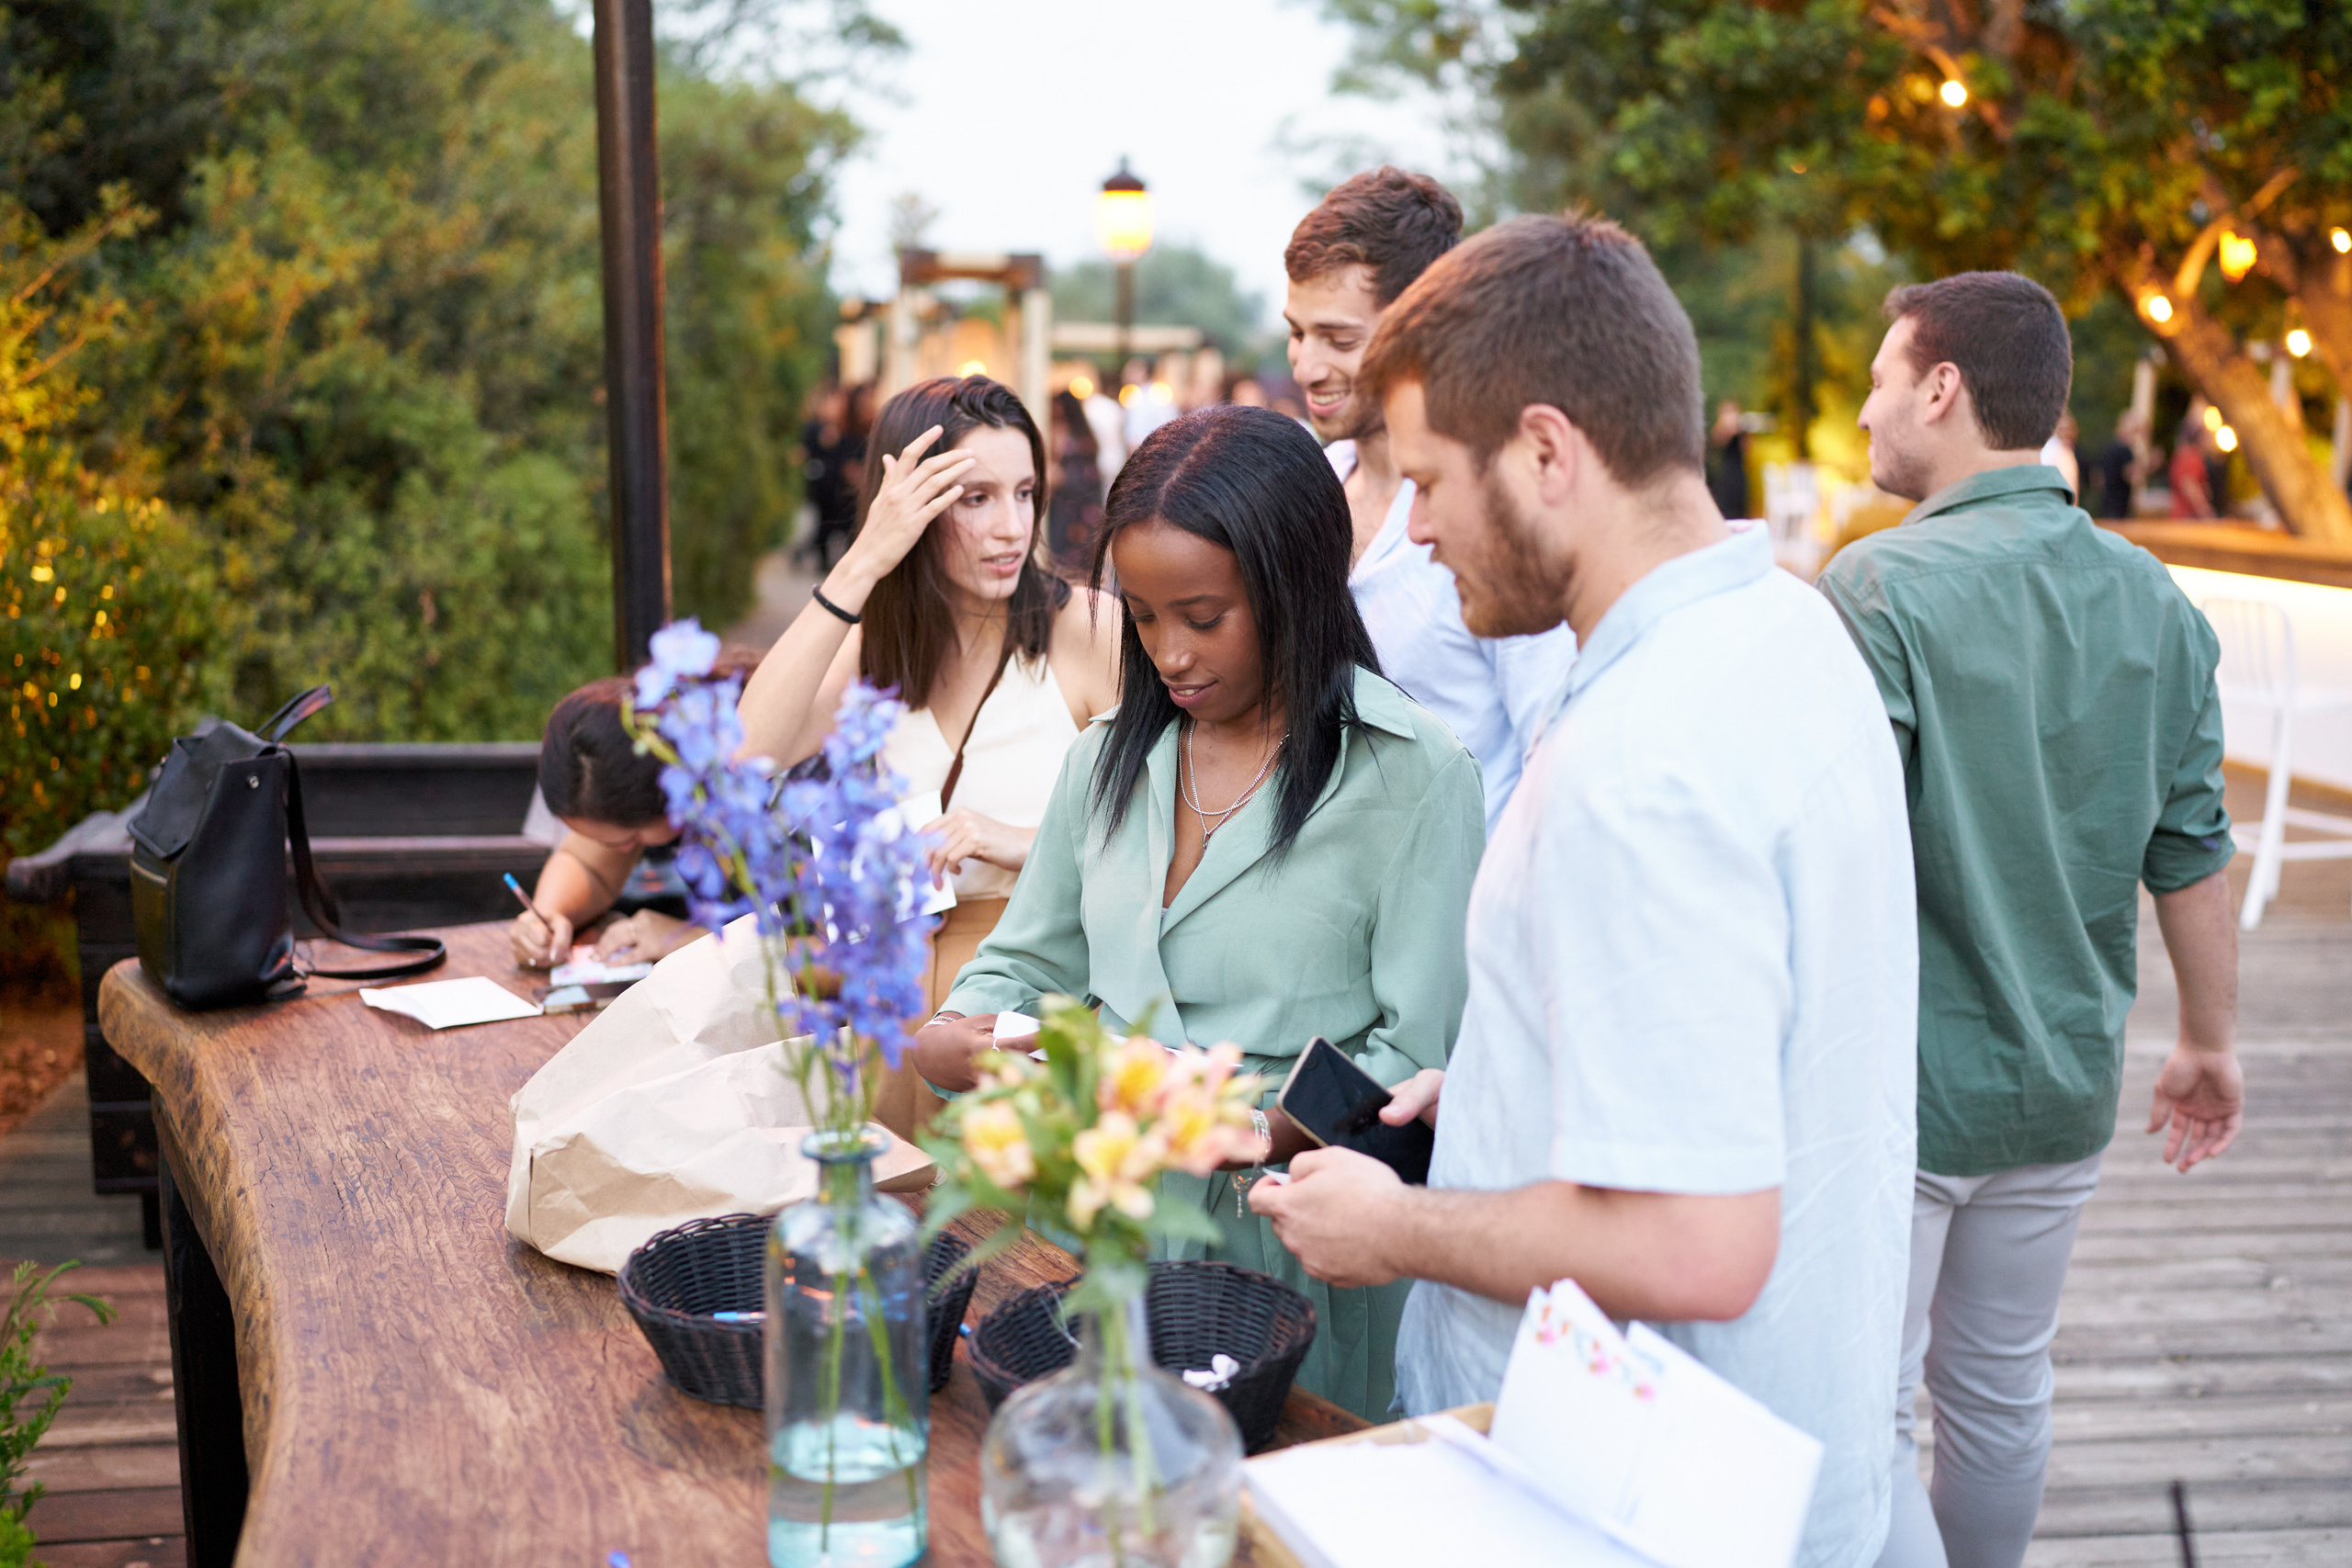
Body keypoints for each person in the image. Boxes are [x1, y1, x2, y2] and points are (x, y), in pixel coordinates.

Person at [1249, 213, 1918, 1568]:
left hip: (1635, 1489)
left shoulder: (1641, 759)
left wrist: (1400, 1224)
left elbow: (1693, 1243)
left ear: (1550, 450)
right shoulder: (1790, 624)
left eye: (1429, 479)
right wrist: (1502, 1077)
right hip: (1785, 1446)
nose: (1414, 528)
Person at [911, 403, 1487, 1422]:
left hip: (1283, 1262)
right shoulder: (1103, 764)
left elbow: (1419, 1065)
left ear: (1294, 588)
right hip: (1090, 1244)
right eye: (1140, 617)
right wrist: (959, 1039)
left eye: (1203, 617)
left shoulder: (1413, 779)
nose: (1168, 653)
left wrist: (1249, 1126)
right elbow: (1017, 971)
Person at [1818, 273, 2242, 1568]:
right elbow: (2193, 846)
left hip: (1903, 1090)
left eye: (1884, 378)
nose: (1870, 409)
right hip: (2063, 1077)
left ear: (1942, 389)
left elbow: (1834, 855)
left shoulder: (1875, 588)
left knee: (1872, 1406)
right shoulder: (2158, 600)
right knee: (2003, 1392)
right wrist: (2208, 1043)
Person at [736, 374, 1122, 1136]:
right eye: (974, 498)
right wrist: (862, 563)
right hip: (893, 1001)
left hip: (1027, 1002)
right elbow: (749, 753)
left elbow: (1171, 830)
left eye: (1024, 492)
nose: (1011, 527)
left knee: (1011, 1244)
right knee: (899, 1232)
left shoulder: (1088, 629)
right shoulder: (878, 641)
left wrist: (1017, 844)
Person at [1283, 167, 1578, 832]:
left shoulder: (1501, 513)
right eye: (1298, 334)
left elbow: (1555, 753)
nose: (1306, 366)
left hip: (1468, 916)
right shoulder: (1307, 484)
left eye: (1340, 339)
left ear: (1423, 325)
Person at [512, 650, 764, 969]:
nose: (619, 851)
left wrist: (688, 941)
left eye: (627, 839)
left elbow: (837, 954)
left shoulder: (766, 780)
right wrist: (547, 917)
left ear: (667, 789)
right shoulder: (651, 751)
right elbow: (586, 864)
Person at [1046, 387, 1103, 578]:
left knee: (1078, 557)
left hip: (1080, 505)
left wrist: (1064, 478)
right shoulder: (1051, 428)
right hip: (1060, 505)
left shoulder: (1081, 437)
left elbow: (1090, 476)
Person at [2092, 409, 2148, 519]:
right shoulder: (2125, 450)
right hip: (2120, 510)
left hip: (2106, 506)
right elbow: (2133, 477)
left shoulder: (2108, 448)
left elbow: (2097, 479)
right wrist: (2146, 464)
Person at [2168, 400, 2218, 517]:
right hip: (2187, 518)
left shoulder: (2182, 454)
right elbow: (2189, 486)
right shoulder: (2191, 457)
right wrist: (2206, 513)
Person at [1709, 398, 1752, 518]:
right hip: (1726, 474)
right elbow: (1715, 444)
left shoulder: (1742, 430)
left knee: (1741, 508)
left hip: (1739, 473)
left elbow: (1747, 452)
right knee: (1726, 508)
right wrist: (1726, 429)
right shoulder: (1720, 429)